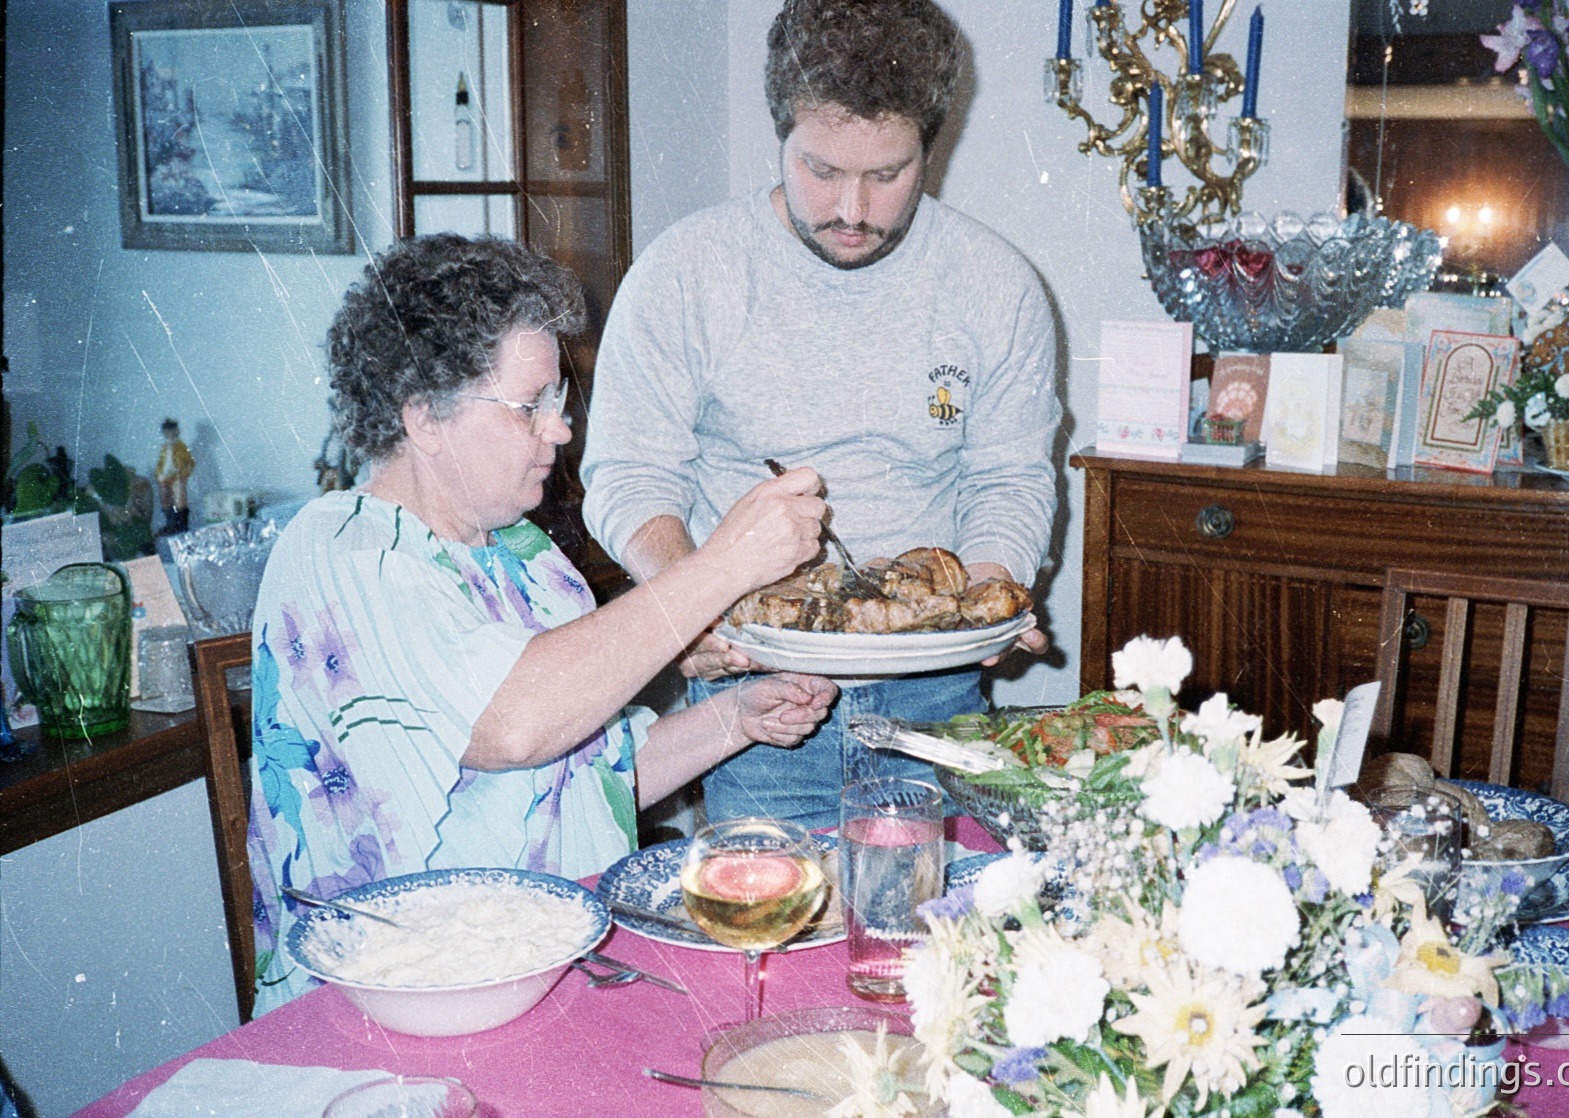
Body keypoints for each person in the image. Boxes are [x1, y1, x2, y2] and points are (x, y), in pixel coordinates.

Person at [247, 234, 836, 1014]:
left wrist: (735, 723)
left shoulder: (527, 555)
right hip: (390, 1008)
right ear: (425, 417)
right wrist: (722, 565)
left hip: (550, 976)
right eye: (531, 407)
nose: (559, 431)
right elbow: (515, 725)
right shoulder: (346, 550)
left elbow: (590, 774)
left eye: (558, 402)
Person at [581, 0, 1060, 828]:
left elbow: (1009, 478)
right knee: (772, 922)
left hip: (934, 689)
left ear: (930, 147)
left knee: (927, 933)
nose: (852, 210)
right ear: (781, 134)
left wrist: (988, 593)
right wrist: (685, 607)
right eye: (821, 170)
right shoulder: (686, 274)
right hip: (756, 684)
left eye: (888, 174)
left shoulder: (997, 284)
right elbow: (630, 475)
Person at [154, 418, 194, 535]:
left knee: (179, 499)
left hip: (178, 476)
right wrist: (159, 474)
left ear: (176, 432)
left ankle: (181, 525)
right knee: (166, 498)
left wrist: (182, 473)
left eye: (172, 431)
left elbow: (189, 462)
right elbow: (161, 463)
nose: (169, 434)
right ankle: (170, 524)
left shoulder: (181, 447)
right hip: (165, 477)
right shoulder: (164, 448)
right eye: (166, 432)